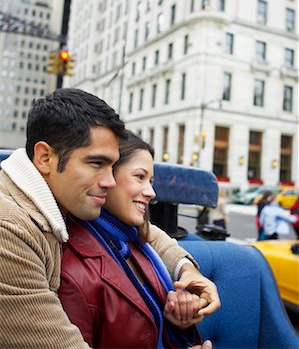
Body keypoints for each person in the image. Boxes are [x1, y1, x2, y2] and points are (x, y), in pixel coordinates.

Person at [0, 88, 219, 349]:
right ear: (45, 157)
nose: (110, 181)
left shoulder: (56, 195)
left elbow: (145, 233)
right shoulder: (9, 229)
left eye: (112, 166)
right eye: (96, 163)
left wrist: (187, 269)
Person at [60, 131, 207, 348]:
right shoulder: (75, 273)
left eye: (151, 180)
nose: (151, 192)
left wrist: (180, 319)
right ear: (106, 177)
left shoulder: (133, 242)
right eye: (140, 177)